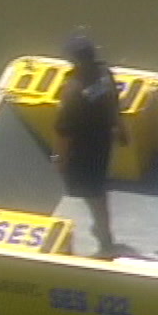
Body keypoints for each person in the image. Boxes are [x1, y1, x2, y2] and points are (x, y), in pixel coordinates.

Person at [54, 34, 128, 258]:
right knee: (97, 189)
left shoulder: (73, 91)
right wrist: (121, 128)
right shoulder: (105, 75)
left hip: (83, 150)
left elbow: (64, 132)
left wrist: (60, 159)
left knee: (94, 194)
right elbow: (114, 104)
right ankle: (102, 227)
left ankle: (105, 238)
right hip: (103, 141)